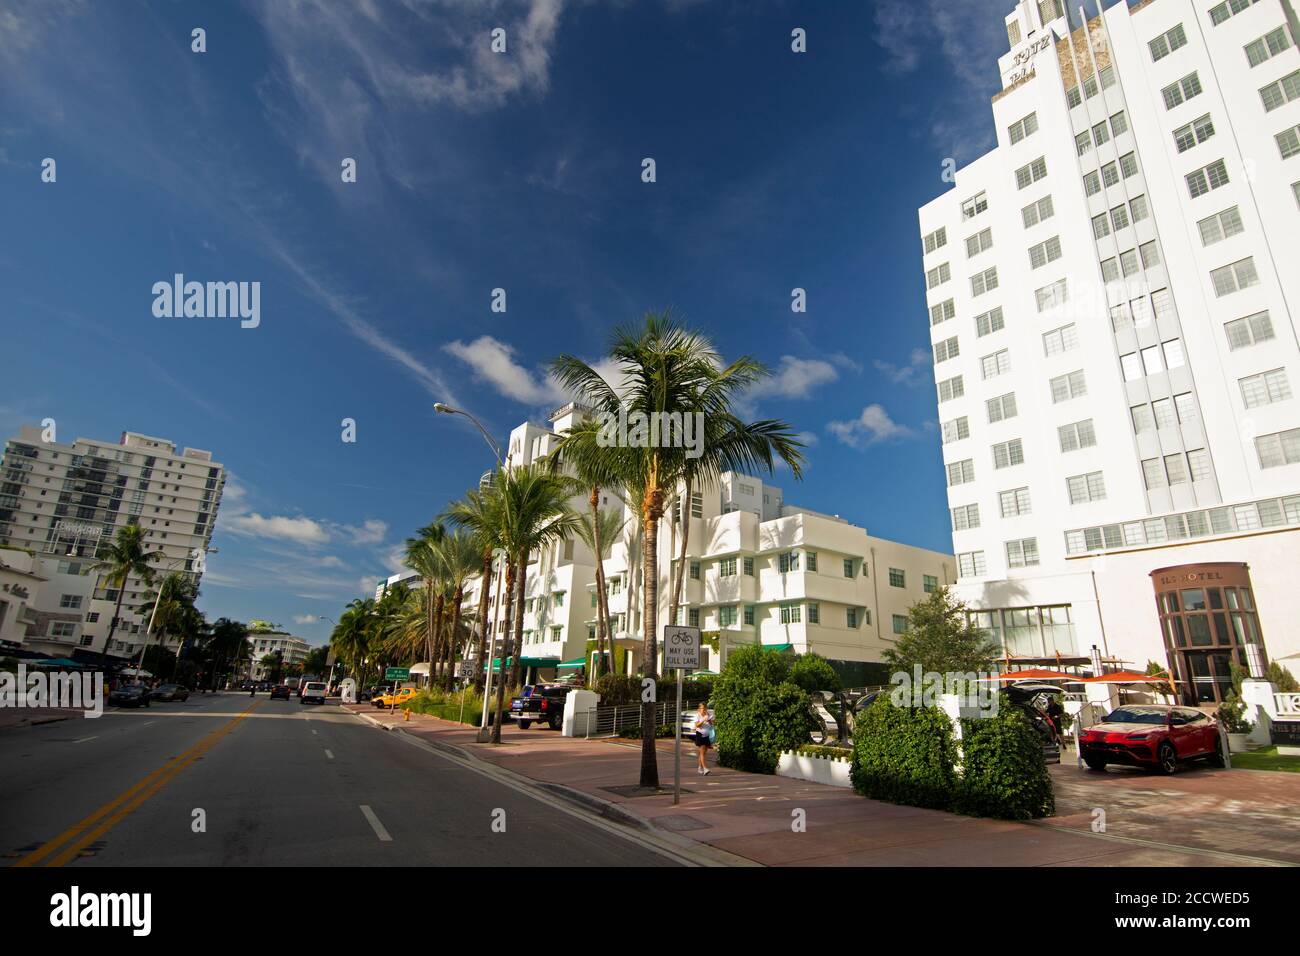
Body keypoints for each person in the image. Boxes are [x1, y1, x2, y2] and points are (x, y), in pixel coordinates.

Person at [693, 701, 714, 775]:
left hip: (707, 735)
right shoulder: (697, 715)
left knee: (704, 753)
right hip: (700, 735)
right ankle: (705, 768)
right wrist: (703, 720)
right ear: (699, 709)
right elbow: (697, 725)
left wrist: (710, 720)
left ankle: (700, 767)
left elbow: (712, 724)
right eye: (702, 708)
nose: (704, 709)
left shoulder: (708, 715)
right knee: (702, 752)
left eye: (705, 708)